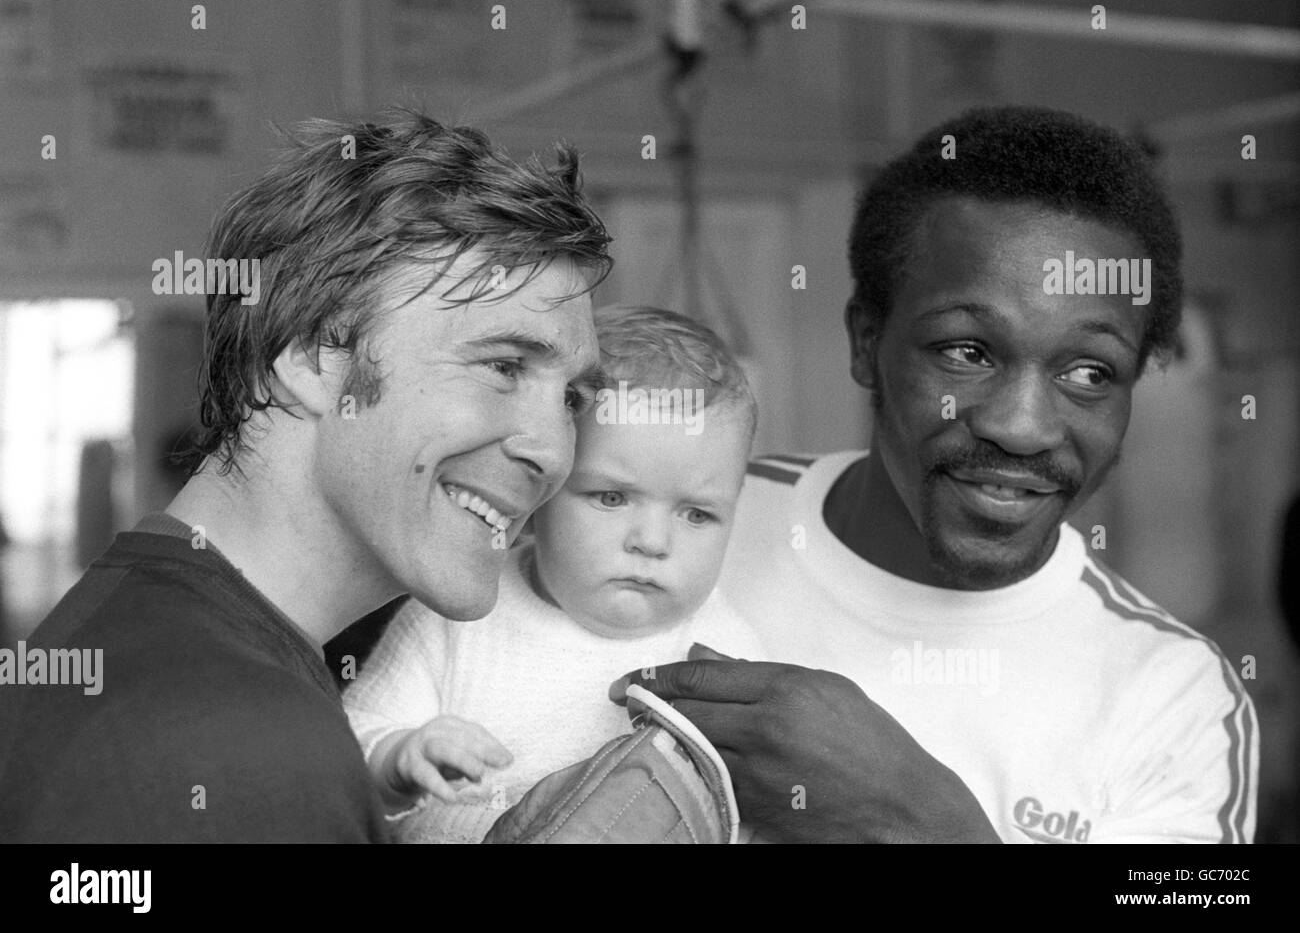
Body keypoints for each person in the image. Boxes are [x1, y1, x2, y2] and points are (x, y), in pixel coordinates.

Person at [615, 106, 1258, 843]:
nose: (1021, 426)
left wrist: (916, 819)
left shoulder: (1175, 697)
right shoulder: (678, 520)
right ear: (867, 342)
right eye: (967, 352)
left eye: (1089, 371)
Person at [0, 108, 612, 842]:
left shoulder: (155, 633)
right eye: (505, 366)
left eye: (573, 398)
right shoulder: (233, 738)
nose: (552, 452)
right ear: (314, 358)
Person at [344, 306, 764, 843]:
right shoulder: (459, 614)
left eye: (698, 514)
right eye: (611, 497)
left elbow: (749, 814)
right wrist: (398, 756)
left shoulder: (722, 652)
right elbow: (347, 753)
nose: (653, 542)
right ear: (543, 486)